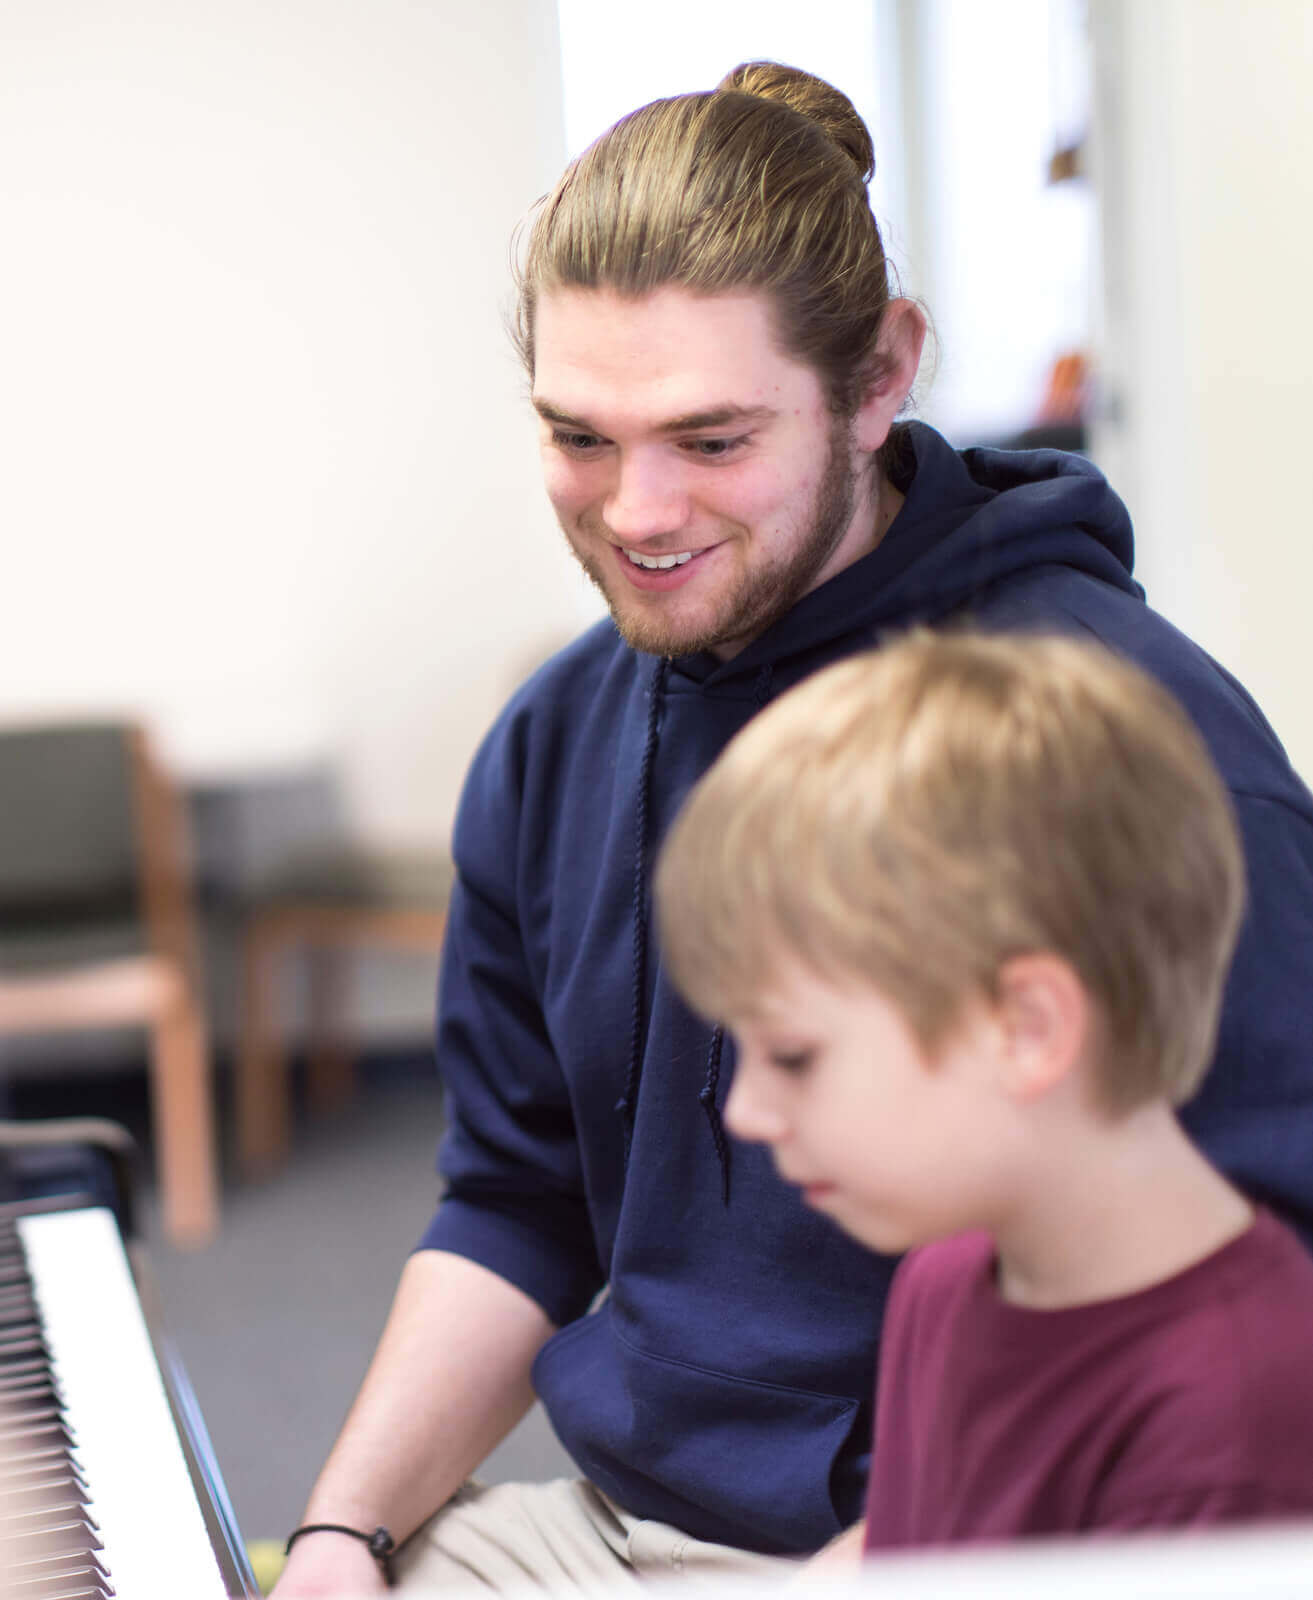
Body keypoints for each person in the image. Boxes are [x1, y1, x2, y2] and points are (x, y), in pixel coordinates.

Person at [272, 58, 1313, 1598]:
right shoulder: (558, 738)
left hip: (976, 1542)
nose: (634, 513)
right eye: (580, 438)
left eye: (709, 440)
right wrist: (341, 1537)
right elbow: (515, 1195)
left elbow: (1249, 1301)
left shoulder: (1123, 746)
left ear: (881, 375)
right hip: (603, 1520)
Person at [656, 628, 1313, 1556]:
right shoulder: (947, 1277)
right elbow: (906, 1550)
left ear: (1026, 1027)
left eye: (794, 1056)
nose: (743, 1113)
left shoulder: (1239, 1422)